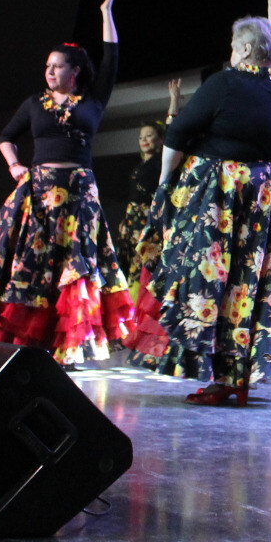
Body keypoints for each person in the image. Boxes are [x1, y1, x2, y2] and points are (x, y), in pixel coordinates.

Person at [145, 0, 271, 404]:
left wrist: (164, 184)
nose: (231, 51)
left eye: (234, 45)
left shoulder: (224, 82)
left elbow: (177, 133)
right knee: (251, 282)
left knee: (213, 279)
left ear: (245, 50)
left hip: (223, 196)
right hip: (265, 195)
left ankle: (217, 373)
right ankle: (239, 375)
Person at [0, 0, 134, 364]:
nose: (49, 71)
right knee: (35, 262)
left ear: (75, 72)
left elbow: (112, 58)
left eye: (56, 66)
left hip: (78, 195)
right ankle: (28, 339)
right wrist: (14, 164)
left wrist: (106, 13)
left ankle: (68, 348)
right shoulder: (34, 104)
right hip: (40, 194)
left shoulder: (93, 101)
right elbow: (6, 137)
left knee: (73, 265)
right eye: (47, 66)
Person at [116, 81, 181, 368]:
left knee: (146, 272)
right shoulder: (139, 166)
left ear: (159, 139)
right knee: (129, 272)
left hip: (149, 222)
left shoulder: (160, 162)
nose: (144, 140)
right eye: (141, 136)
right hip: (132, 222)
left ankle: (145, 330)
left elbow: (173, 133)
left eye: (150, 136)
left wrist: (173, 103)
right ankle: (128, 328)